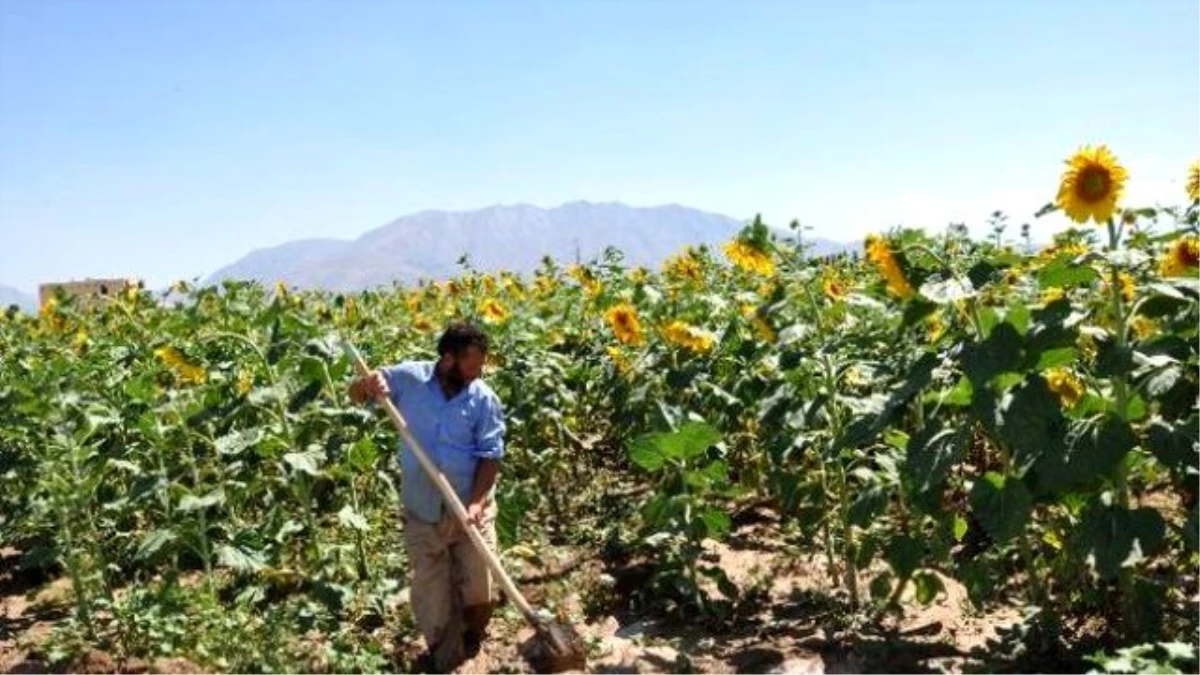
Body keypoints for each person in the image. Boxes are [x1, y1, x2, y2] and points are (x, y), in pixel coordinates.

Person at [348, 322, 506, 672]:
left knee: (479, 592)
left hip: (470, 507)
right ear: (448, 359)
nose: (477, 374)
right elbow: (356, 394)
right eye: (471, 365)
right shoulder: (408, 379)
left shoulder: (483, 398)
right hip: (422, 511)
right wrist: (365, 386)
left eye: (481, 366)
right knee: (433, 598)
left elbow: (491, 456)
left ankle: (474, 636)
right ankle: (445, 654)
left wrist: (477, 503)